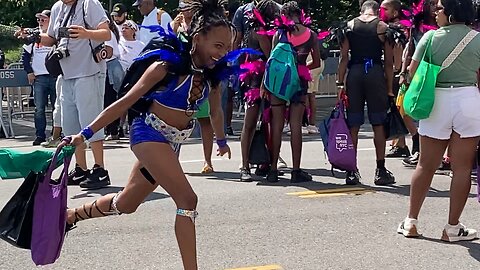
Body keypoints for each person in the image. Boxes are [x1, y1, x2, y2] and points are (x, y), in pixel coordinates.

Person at [64, 0, 238, 268]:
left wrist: (222, 141)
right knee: (188, 200)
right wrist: (84, 134)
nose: (223, 53)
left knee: (126, 203)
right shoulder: (165, 68)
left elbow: (216, 112)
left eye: (227, 47)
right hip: (147, 134)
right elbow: (123, 102)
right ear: (197, 38)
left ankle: (70, 216)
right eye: (218, 46)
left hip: (171, 144)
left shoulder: (213, 76)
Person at [398, 0, 480, 242]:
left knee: (426, 165)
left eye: (441, 8)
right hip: (468, 100)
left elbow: (413, 72)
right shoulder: (477, 39)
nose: (435, 11)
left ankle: (411, 221)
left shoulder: (430, 38)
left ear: (452, 12)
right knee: (462, 168)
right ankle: (452, 228)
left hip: (436, 102)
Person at [38, 0, 112, 189]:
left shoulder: (89, 4)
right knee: (70, 124)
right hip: (66, 73)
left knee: (91, 121)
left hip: (88, 71)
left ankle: (100, 169)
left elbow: (106, 33)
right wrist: (33, 37)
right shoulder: (57, 7)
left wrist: (86, 33)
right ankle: (81, 168)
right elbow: (52, 38)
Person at [337, 0, 395, 185]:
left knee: (353, 123)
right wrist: (389, 88)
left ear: (361, 10)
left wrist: (340, 83)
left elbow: (344, 57)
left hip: (354, 73)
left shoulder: (349, 25)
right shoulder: (382, 27)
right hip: (375, 74)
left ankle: (352, 171)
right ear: (377, 10)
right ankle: (380, 169)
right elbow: (389, 63)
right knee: (378, 123)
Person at [265, 1, 321, 183]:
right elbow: (317, 63)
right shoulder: (310, 34)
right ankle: (296, 171)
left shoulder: (279, 33)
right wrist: (301, 69)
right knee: (296, 125)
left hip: (278, 84)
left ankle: (273, 170)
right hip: (299, 83)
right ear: (300, 14)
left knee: (277, 125)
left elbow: (272, 61)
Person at [238, 0, 280, 181]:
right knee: (251, 122)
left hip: (258, 76)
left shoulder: (260, 28)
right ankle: (245, 166)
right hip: (258, 78)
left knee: (265, 122)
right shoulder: (260, 31)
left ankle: (262, 162)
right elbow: (270, 56)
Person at [401, 0, 439, 167]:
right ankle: (417, 143)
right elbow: (409, 50)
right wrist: (403, 72)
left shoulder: (443, 27)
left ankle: (431, 155)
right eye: (430, 3)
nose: (433, 7)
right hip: (416, 73)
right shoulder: (417, 26)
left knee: (432, 115)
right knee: (404, 108)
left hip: (434, 74)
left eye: (435, 4)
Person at [19, 10, 57, 146]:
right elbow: (25, 56)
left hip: (54, 76)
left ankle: (56, 134)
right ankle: (40, 135)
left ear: (50, 20)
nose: (40, 22)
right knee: (39, 108)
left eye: (43, 19)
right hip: (39, 77)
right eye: (39, 20)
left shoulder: (55, 34)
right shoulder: (34, 35)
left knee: (56, 107)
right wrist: (29, 71)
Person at [104, 15, 126, 141]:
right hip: (110, 66)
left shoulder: (108, 33)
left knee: (110, 100)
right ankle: (112, 129)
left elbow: (108, 52)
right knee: (109, 100)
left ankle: (113, 130)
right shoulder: (111, 32)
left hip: (110, 66)